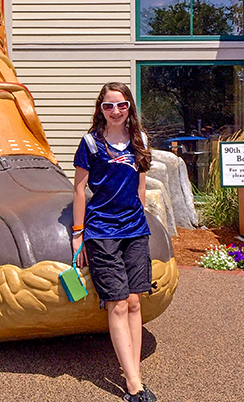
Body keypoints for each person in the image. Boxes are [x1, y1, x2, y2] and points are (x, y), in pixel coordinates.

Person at [73, 82, 156, 402]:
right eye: (109, 106)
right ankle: (134, 385)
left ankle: (132, 371)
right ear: (101, 110)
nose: (116, 111)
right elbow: (79, 190)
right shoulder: (90, 144)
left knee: (135, 302)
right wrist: (77, 235)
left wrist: (145, 220)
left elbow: (140, 188)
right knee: (118, 303)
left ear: (130, 107)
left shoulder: (140, 141)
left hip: (135, 231)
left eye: (121, 105)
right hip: (102, 232)